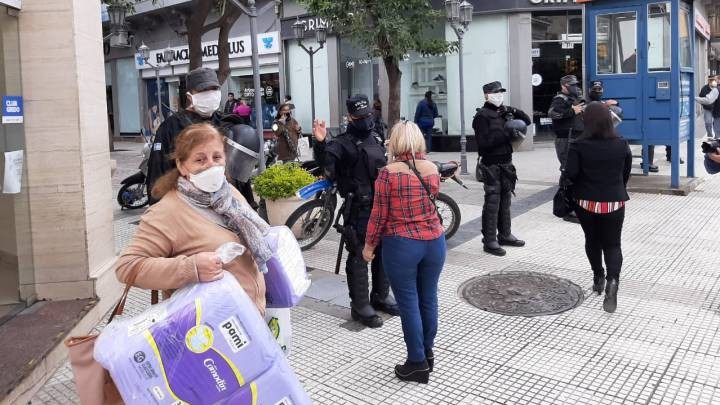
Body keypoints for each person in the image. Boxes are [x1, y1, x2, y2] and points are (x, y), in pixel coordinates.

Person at [116, 123, 272, 313]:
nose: (211, 165)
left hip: (251, 319)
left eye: (217, 157)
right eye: (200, 159)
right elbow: (127, 267)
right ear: (182, 166)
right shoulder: (167, 211)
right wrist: (191, 268)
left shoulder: (229, 193)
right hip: (208, 325)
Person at [362, 121, 445, 384]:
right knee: (428, 299)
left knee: (409, 304)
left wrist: (369, 246)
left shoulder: (388, 173)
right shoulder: (432, 168)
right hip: (435, 242)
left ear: (395, 142)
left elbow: (378, 215)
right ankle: (427, 353)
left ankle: (417, 363)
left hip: (402, 244)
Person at [312, 94, 399, 328]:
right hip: (358, 208)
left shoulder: (376, 137)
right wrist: (320, 142)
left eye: (367, 115)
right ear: (350, 117)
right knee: (360, 255)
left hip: (381, 205)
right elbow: (326, 169)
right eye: (360, 116)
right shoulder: (341, 143)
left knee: (383, 252)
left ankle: (381, 296)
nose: (365, 120)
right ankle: (360, 306)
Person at [565, 102, 632, 313]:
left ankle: (598, 277)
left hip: (586, 201)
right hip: (614, 200)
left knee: (592, 240)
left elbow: (571, 175)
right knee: (613, 244)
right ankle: (613, 282)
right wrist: (616, 187)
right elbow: (625, 173)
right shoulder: (621, 143)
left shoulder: (578, 145)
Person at [146, 67, 224, 202]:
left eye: (214, 89)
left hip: (223, 201)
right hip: (183, 202)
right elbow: (157, 172)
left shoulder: (225, 123)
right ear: (190, 96)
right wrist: (159, 207)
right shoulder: (170, 127)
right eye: (203, 90)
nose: (210, 94)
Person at [473, 81, 531, 256]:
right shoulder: (481, 116)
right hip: (491, 164)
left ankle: (505, 234)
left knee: (506, 201)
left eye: (500, 92)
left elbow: (527, 121)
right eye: (495, 92)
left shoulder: (504, 112)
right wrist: (505, 135)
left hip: (507, 163)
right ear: (486, 95)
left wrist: (513, 110)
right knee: (493, 202)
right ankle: (489, 239)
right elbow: (483, 143)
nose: (499, 95)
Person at [549, 74, 584, 223]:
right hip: (566, 140)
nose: (575, 87)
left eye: (576, 84)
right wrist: (572, 111)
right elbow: (553, 113)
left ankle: (573, 205)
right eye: (572, 85)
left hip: (576, 139)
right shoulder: (559, 99)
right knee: (567, 172)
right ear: (564, 86)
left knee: (575, 172)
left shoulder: (575, 98)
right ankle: (566, 209)